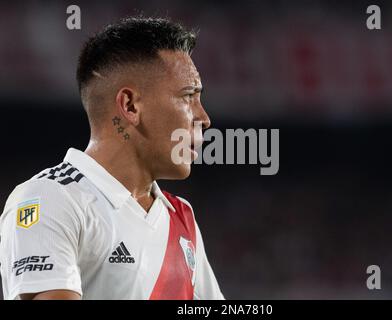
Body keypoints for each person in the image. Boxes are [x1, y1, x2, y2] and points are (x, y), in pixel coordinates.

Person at [0, 16, 224, 300]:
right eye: (188, 96)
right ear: (130, 105)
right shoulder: (50, 199)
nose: (203, 118)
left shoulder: (181, 216)